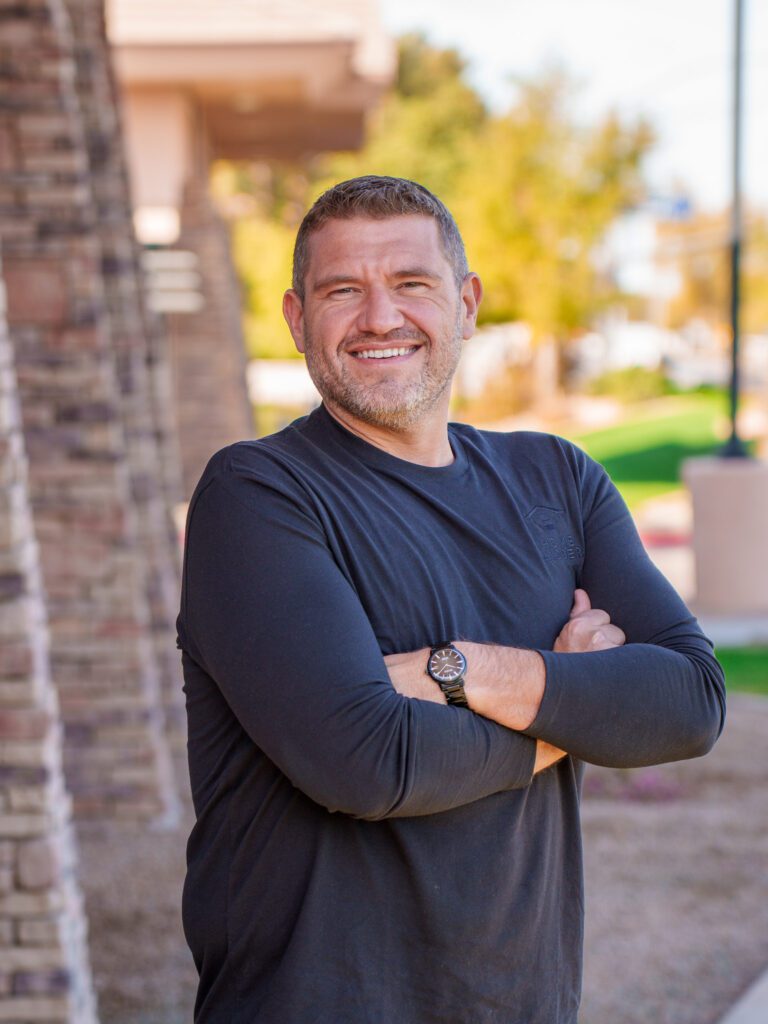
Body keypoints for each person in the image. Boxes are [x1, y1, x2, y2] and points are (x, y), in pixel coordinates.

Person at [176, 175, 725, 1024]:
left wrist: (458, 671)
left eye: (412, 284)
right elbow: (364, 762)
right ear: (295, 319)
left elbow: (689, 703)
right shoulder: (257, 496)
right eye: (342, 291)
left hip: (524, 1002)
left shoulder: (558, 480)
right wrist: (565, 708)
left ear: (465, 303)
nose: (380, 317)